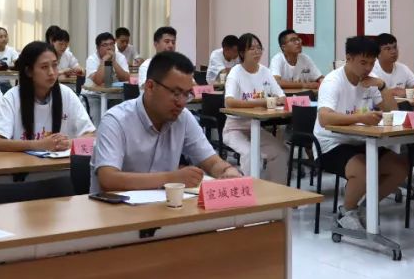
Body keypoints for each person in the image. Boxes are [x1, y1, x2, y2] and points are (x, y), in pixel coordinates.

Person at [92, 51, 242, 193]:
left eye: (187, 94)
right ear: (150, 87)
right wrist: (171, 178)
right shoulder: (116, 121)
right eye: (176, 93)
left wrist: (227, 170)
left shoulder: (183, 118)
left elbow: (211, 162)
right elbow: (108, 179)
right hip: (118, 208)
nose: (181, 102)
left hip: (164, 205)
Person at [315, 36, 407, 231]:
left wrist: (382, 86)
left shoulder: (370, 81)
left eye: (372, 63)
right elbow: (324, 118)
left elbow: (393, 112)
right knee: (362, 169)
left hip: (361, 141)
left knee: (400, 167)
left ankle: (366, 206)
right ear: (349, 59)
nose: (368, 68)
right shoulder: (333, 81)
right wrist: (361, 118)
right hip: (331, 143)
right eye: (363, 62)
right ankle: (346, 212)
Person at [0, 41, 95, 152]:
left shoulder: (66, 94)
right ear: (29, 71)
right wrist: (38, 145)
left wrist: (68, 143)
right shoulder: (12, 97)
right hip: (23, 162)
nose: (51, 72)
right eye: (44, 67)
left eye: (55, 65)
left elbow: (91, 135)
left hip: (60, 162)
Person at [222, 33, 287, 182]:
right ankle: (249, 191)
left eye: (259, 48)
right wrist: (261, 102)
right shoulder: (236, 72)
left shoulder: (265, 71)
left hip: (256, 127)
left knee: (281, 152)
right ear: (242, 53)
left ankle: (274, 191)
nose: (257, 52)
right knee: (251, 154)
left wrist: (274, 100)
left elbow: (282, 97)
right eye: (252, 48)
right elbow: (229, 102)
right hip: (235, 128)